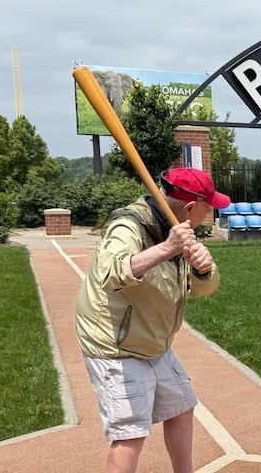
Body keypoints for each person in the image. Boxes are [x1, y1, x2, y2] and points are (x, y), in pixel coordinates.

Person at [75, 167, 231, 473]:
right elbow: (111, 272)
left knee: (181, 407)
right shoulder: (128, 227)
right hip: (116, 344)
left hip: (153, 342)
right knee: (130, 433)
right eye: (207, 206)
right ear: (189, 208)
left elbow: (203, 288)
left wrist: (202, 271)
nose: (210, 212)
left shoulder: (176, 229)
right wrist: (167, 248)